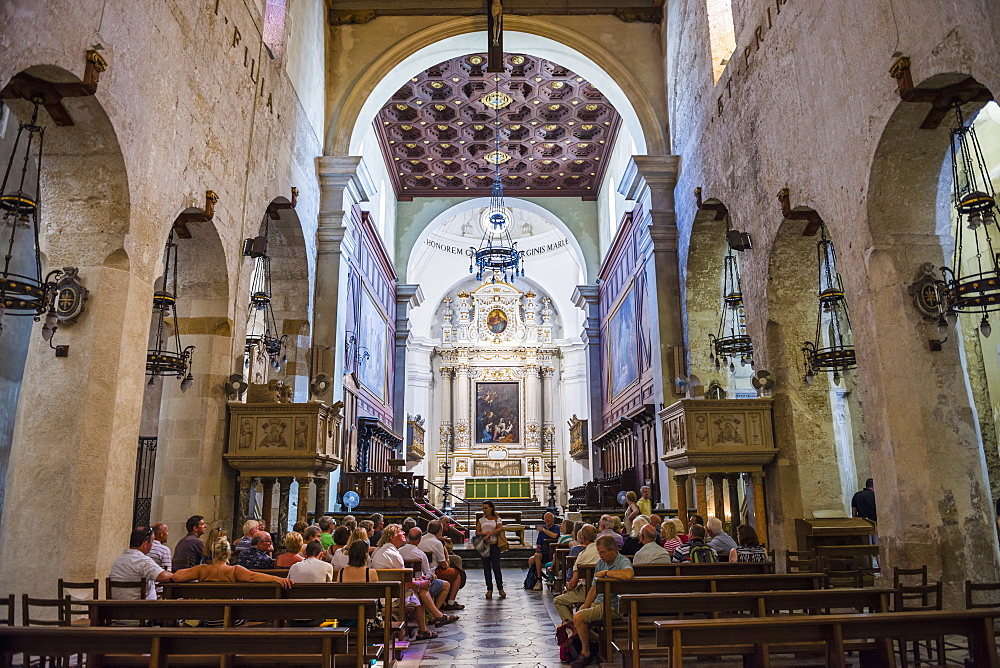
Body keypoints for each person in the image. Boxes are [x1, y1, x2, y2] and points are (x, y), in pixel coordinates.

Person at [370, 524, 457, 636]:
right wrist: (421, 583)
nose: (404, 533)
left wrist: (417, 580)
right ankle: (434, 620)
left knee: (419, 590)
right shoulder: (393, 553)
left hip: (384, 592)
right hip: (390, 596)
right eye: (400, 531)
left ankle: (428, 626)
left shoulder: (383, 550)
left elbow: (400, 578)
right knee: (419, 591)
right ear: (392, 537)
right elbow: (406, 583)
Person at [569, 535, 634, 667]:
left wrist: (607, 573)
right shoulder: (600, 563)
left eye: (603, 552)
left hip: (612, 607)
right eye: (599, 552)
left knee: (579, 618)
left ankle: (586, 652)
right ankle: (600, 643)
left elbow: (628, 574)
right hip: (599, 604)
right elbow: (594, 588)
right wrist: (585, 606)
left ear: (613, 550)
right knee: (577, 617)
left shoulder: (622, 561)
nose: (600, 556)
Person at [173, 538, 292, 588]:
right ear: (229, 554)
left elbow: (177, 577)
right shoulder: (234, 570)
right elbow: (253, 577)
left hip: (207, 616)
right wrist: (277, 579)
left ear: (213, 554)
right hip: (231, 616)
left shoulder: (202, 569)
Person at [109, 527, 174, 600]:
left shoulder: (118, 560)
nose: (152, 545)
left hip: (117, 607)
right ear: (145, 544)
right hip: (141, 608)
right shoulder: (143, 561)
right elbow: (164, 577)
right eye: (151, 542)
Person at [553, 524, 600, 622]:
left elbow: (573, 583)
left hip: (587, 591)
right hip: (603, 590)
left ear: (582, 538)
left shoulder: (582, 555)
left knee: (558, 601)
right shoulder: (603, 550)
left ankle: (573, 627)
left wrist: (569, 586)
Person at [401, 526, 451, 608]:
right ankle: (435, 611)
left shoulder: (399, 551)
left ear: (408, 537)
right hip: (418, 585)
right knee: (446, 585)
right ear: (420, 539)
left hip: (404, 583)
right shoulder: (420, 554)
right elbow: (427, 574)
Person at [419, 520, 464, 610]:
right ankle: (450, 602)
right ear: (440, 531)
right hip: (432, 572)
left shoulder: (420, 539)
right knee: (458, 574)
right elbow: (444, 565)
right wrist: (446, 555)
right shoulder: (437, 542)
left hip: (420, 571)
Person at [475, 500, 505, 598]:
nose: (484, 510)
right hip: (485, 546)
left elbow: (500, 528)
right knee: (486, 568)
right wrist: (485, 534)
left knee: (496, 567)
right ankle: (489, 589)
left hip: (494, 545)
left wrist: (490, 534)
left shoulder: (497, 518)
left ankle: (500, 589)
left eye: (486, 508)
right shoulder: (481, 520)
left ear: (491, 508)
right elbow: (477, 532)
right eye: (483, 508)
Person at [527, 512, 560, 590]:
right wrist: (537, 547)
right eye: (546, 518)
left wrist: (544, 530)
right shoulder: (543, 529)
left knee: (537, 556)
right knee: (531, 560)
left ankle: (539, 579)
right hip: (544, 552)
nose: (547, 519)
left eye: (549, 517)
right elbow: (539, 544)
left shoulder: (556, 528)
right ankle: (534, 579)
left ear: (553, 519)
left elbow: (554, 535)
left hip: (554, 553)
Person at [147, 523, 171, 597]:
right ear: (161, 534)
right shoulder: (164, 550)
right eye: (167, 531)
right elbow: (167, 573)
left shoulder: (144, 548)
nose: (168, 534)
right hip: (158, 590)